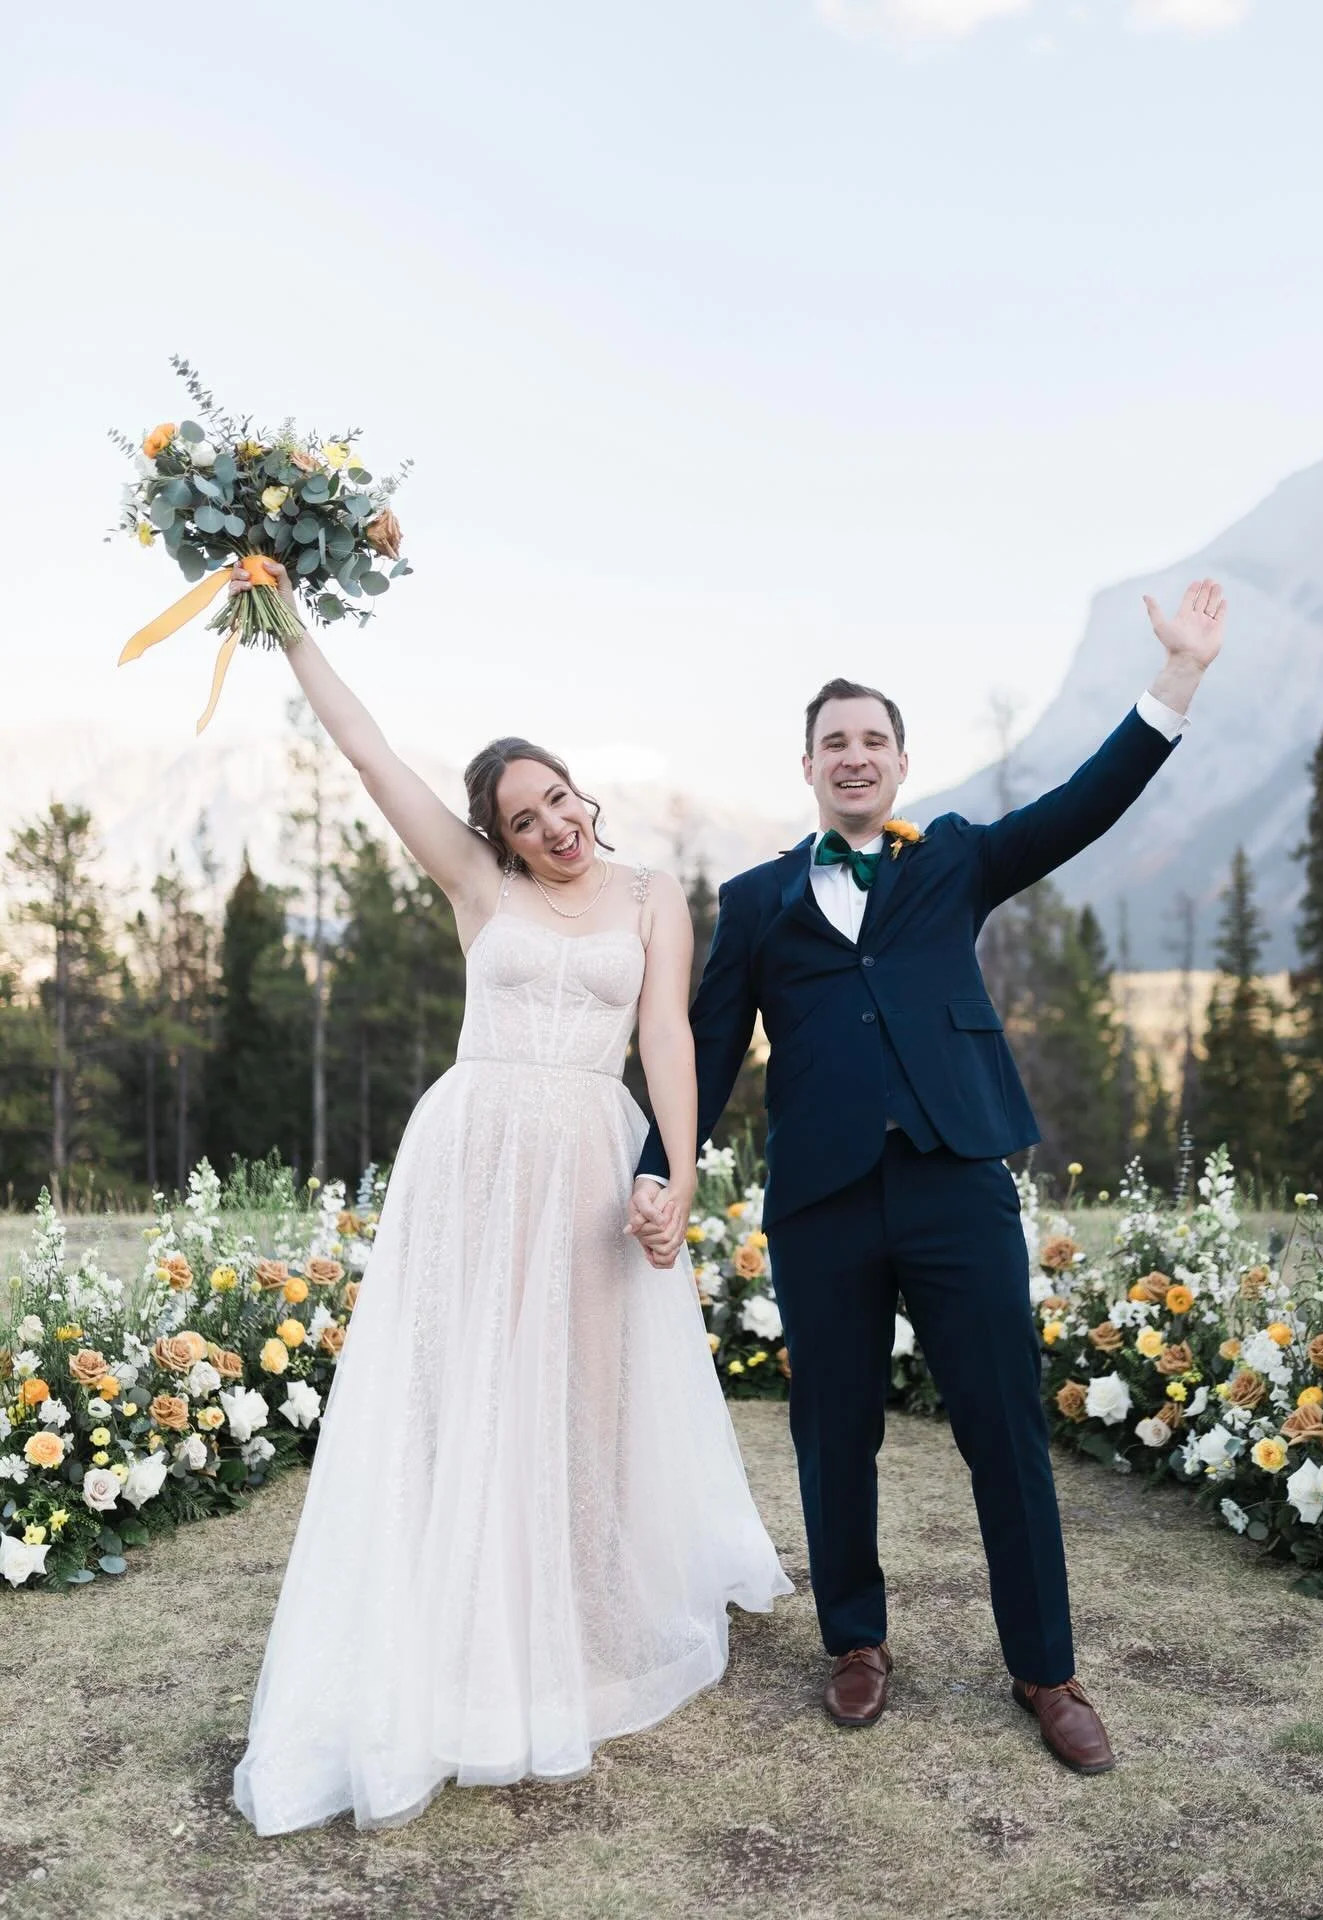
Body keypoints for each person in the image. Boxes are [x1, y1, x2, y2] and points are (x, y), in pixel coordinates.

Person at [229, 560, 791, 1835]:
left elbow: (671, 1045)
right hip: (474, 1155)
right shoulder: (482, 890)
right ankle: (454, 1631)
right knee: (460, 1385)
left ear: (583, 792)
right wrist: (289, 624)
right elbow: (373, 760)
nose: (554, 824)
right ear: (497, 835)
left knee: (583, 1396)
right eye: (525, 815)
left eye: (561, 796)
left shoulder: (653, 902)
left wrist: (675, 1172)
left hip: (592, 1162)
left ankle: (576, 1635)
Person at [629, 580, 1227, 1774]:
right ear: (808, 767)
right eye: (834, 742)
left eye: (873, 741)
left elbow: (1082, 806)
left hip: (958, 1181)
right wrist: (660, 1170)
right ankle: (856, 1643)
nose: (855, 757)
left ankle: (1046, 1671)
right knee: (830, 1431)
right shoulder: (753, 904)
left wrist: (1180, 676)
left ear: (902, 763)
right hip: (821, 1201)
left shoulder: (954, 862)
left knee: (1003, 1427)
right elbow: (697, 1052)